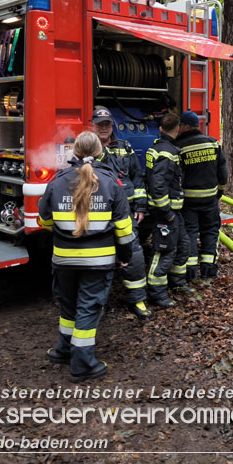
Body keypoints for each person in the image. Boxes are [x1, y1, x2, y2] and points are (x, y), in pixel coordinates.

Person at [37, 131, 135, 382]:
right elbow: (124, 229)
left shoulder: (57, 181)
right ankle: (82, 364)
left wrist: (64, 233)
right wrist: (124, 256)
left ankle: (63, 350)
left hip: (63, 260)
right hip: (98, 261)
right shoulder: (111, 182)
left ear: (75, 151)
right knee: (88, 309)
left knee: (68, 306)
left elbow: (44, 220)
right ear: (100, 152)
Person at [91, 107, 151, 320]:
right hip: (99, 214)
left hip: (125, 213)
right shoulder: (88, 150)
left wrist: (141, 206)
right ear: (92, 125)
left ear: (111, 125)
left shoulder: (125, 147)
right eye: (99, 124)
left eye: (107, 124)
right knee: (100, 260)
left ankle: (137, 300)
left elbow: (137, 177)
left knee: (134, 255)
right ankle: (97, 304)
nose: (103, 128)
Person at [145, 112, 193, 306]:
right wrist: (167, 212)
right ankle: (157, 292)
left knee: (183, 245)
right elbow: (158, 186)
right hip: (165, 213)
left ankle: (177, 282)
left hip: (173, 212)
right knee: (164, 251)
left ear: (160, 128)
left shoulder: (160, 147)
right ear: (178, 128)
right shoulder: (167, 152)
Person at [175, 111, 228, 280]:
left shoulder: (179, 147)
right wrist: (219, 192)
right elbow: (223, 172)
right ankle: (208, 269)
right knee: (210, 231)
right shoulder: (212, 143)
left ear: (185, 126)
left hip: (189, 201)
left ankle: (190, 271)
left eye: (180, 125)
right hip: (210, 199)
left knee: (190, 232)